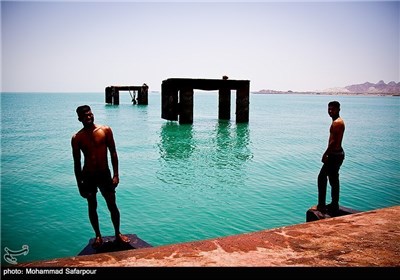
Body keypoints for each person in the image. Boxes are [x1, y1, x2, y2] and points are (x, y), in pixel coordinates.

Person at [71, 105, 130, 249]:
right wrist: (80, 185)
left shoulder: (105, 130)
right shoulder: (77, 138)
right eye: (85, 116)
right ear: (79, 119)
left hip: (104, 174)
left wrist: (116, 174)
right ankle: (98, 235)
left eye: (90, 114)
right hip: (88, 176)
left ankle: (117, 233)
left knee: (112, 204)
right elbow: (77, 163)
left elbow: (113, 153)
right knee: (92, 206)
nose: (89, 117)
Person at [317, 101, 345, 213]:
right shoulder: (338, 121)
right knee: (333, 179)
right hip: (338, 154)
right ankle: (334, 204)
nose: (330, 111)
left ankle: (322, 205)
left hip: (334, 155)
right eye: (329, 109)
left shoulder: (337, 123)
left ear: (338, 109)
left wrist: (326, 154)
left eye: (332, 109)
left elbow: (333, 142)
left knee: (321, 178)